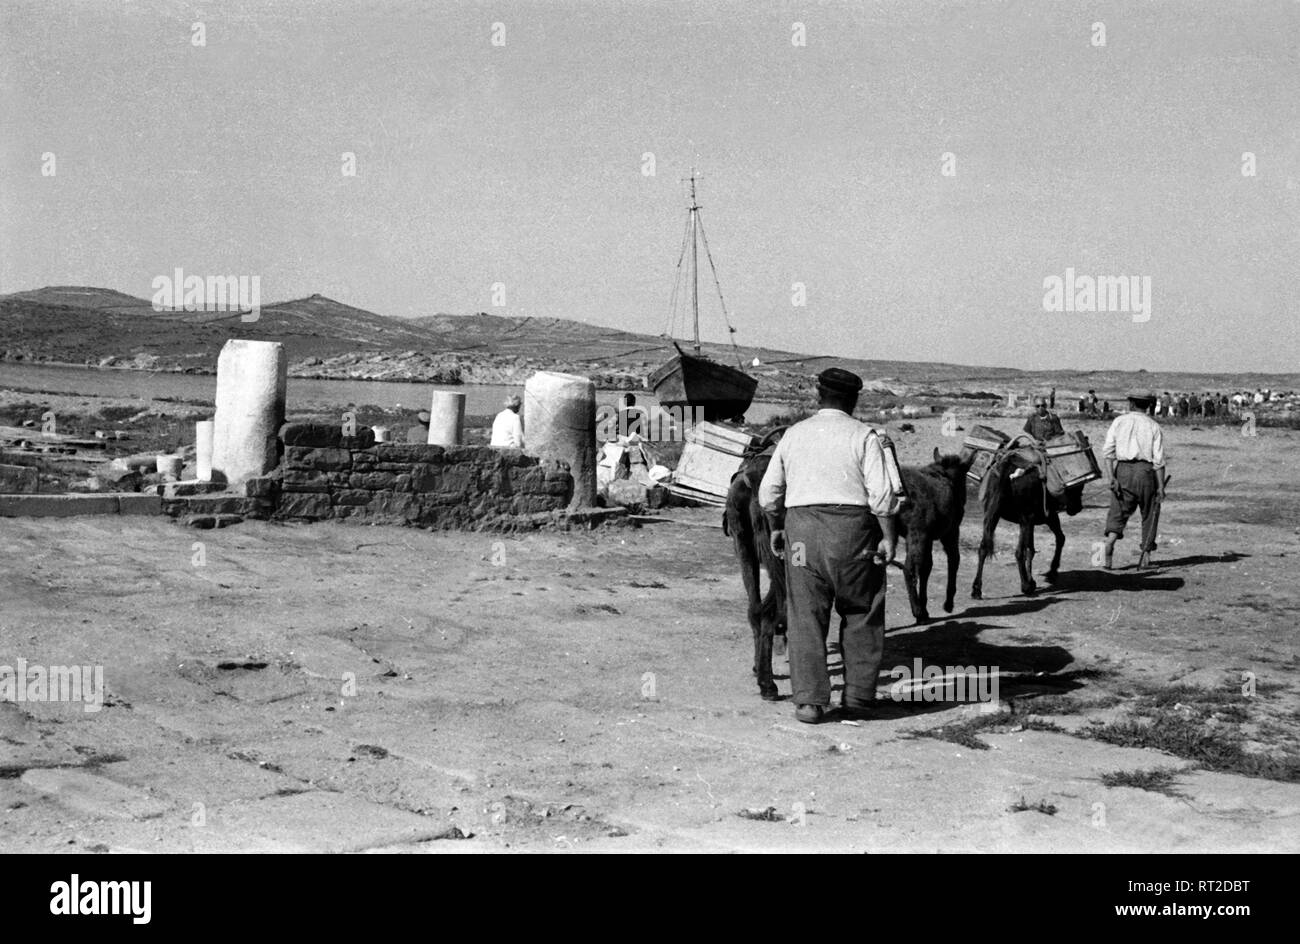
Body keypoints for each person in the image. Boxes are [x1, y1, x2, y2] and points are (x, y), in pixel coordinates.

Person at [758, 367, 901, 725]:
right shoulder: (864, 436)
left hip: (801, 535)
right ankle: (858, 699)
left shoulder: (793, 434)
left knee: (804, 614)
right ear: (853, 399)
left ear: (818, 396)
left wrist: (777, 527)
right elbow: (881, 495)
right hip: (853, 534)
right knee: (862, 609)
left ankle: (808, 702)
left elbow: (769, 493)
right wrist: (888, 536)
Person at [1102, 393, 1166, 570]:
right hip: (1145, 472)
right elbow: (1158, 461)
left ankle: (1109, 543)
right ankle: (1145, 556)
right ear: (1147, 406)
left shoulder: (1119, 421)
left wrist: (1111, 478)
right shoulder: (1153, 425)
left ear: (1131, 404)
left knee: (1118, 511)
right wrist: (1160, 487)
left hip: (1122, 470)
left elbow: (1107, 453)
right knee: (1150, 513)